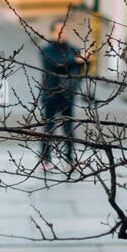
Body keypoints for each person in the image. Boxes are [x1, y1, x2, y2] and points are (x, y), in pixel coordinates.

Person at [39, 20, 89, 173]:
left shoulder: (72, 49)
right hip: (51, 94)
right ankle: (45, 159)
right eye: (59, 30)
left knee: (69, 129)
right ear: (52, 33)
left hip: (68, 95)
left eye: (64, 30)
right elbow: (56, 64)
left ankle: (70, 159)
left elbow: (82, 68)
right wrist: (75, 61)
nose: (62, 33)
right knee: (49, 129)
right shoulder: (46, 50)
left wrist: (85, 61)